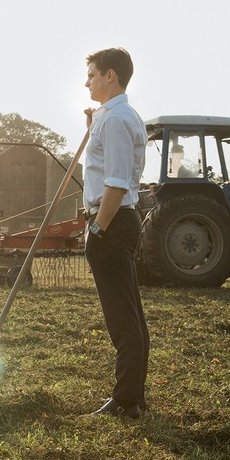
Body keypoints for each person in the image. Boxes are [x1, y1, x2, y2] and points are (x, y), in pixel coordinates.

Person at [81, 47, 150, 419]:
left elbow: (117, 181)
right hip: (117, 220)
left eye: (92, 74)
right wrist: (91, 128)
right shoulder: (112, 117)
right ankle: (134, 397)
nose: (86, 81)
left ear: (111, 76)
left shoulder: (117, 119)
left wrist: (98, 227)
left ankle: (125, 402)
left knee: (122, 318)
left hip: (113, 221)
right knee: (131, 314)